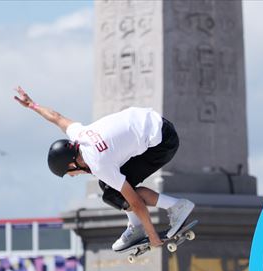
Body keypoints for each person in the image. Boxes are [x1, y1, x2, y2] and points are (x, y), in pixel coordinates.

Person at [14, 86, 194, 250]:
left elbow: (136, 202)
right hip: (156, 123)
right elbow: (56, 117)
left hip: (162, 143)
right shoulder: (79, 134)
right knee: (108, 187)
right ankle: (137, 226)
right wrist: (32, 104)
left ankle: (176, 206)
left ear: (71, 164)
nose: (73, 176)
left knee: (114, 193)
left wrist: (153, 236)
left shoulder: (99, 164)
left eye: (70, 173)